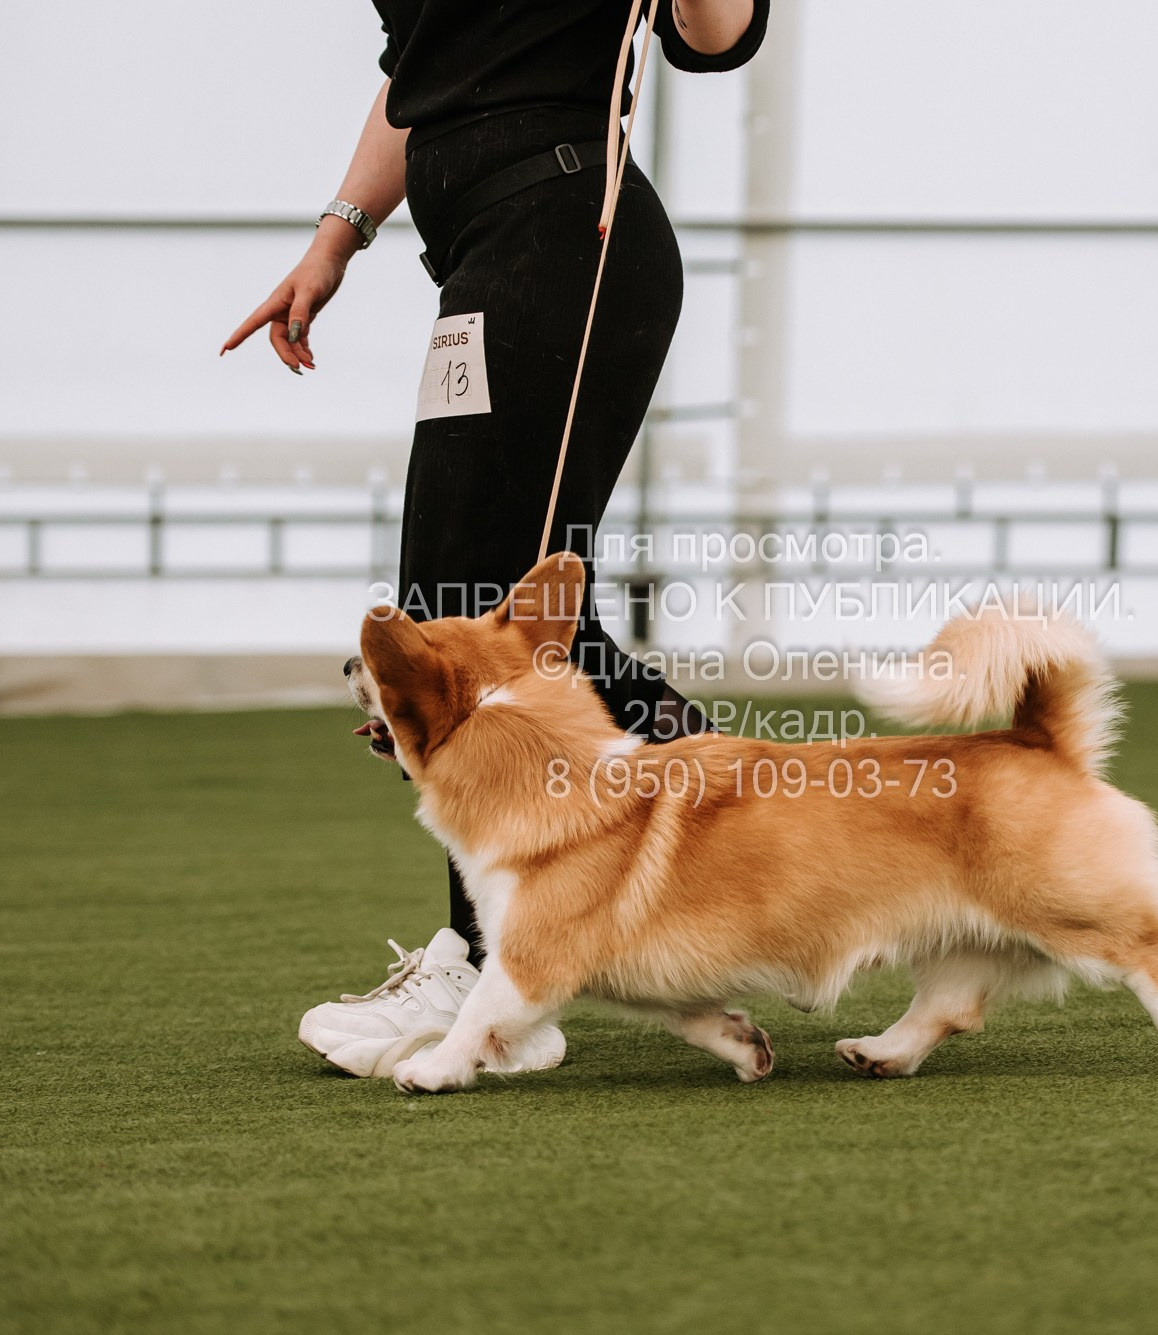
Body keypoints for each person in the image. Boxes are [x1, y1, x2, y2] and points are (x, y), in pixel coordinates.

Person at [221, 0, 769, 1079]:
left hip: (570, 235)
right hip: (480, 259)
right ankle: (770, 862)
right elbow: (419, 73)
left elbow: (716, 34)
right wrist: (336, 234)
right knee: (467, 627)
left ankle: (494, 979)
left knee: (476, 634)